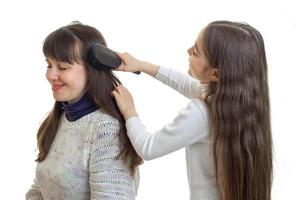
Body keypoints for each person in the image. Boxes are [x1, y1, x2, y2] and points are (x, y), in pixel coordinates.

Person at [112, 20, 272, 200]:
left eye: (195, 52)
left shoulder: (202, 113)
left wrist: (129, 111)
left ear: (215, 74)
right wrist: (140, 65)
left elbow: (148, 148)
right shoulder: (236, 103)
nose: (188, 51)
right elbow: (188, 85)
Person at [26, 21, 142, 200]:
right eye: (49, 65)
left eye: (63, 67)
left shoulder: (106, 130)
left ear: (92, 70)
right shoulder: (61, 118)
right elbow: (42, 187)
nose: (50, 75)